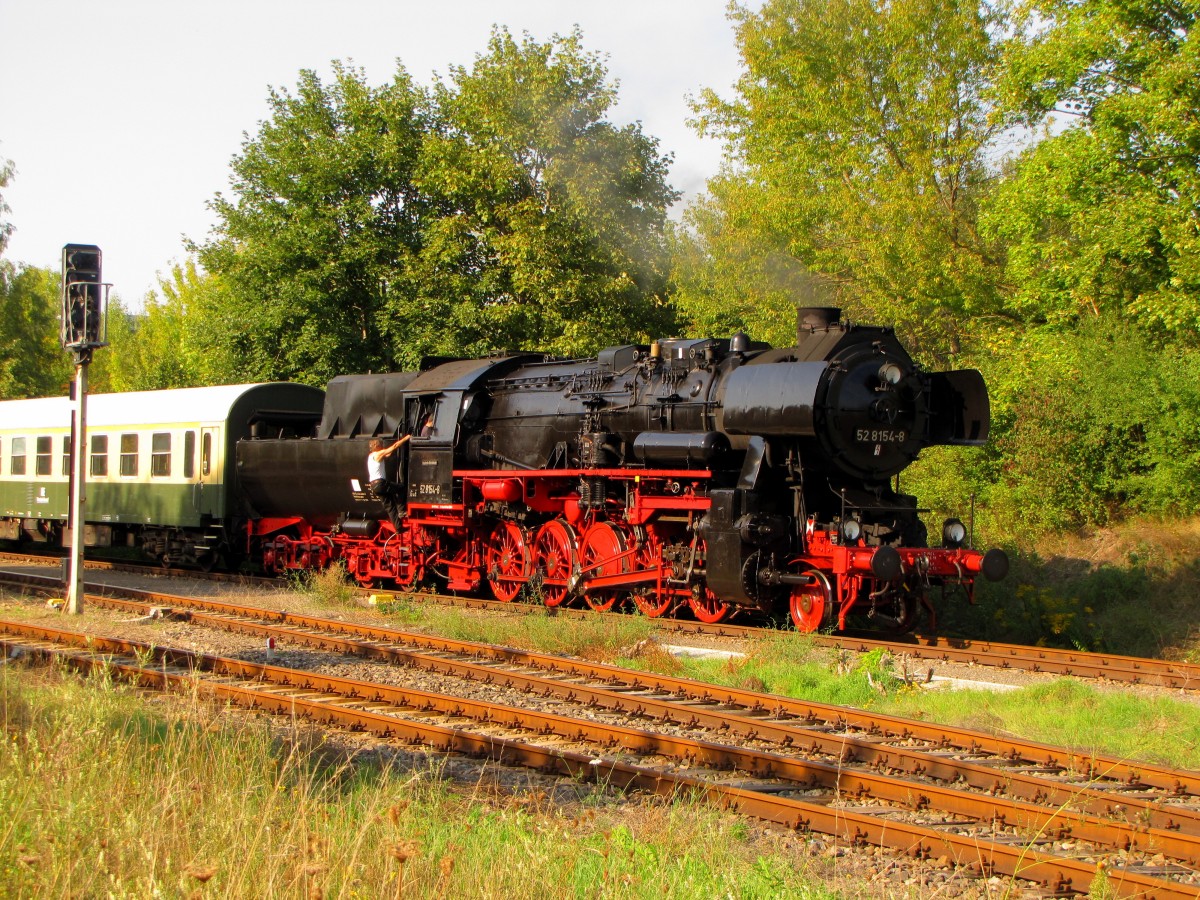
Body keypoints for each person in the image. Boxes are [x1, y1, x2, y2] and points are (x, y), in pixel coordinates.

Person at [367, 435, 410, 531]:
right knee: (401, 488)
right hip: (380, 483)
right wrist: (405, 438)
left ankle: (399, 528)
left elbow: (388, 454)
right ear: (375, 445)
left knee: (390, 507)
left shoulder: (371, 456)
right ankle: (402, 511)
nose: (381, 445)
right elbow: (394, 447)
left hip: (374, 486)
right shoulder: (378, 454)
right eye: (379, 444)